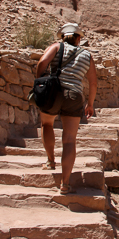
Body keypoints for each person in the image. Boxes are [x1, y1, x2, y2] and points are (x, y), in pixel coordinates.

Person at [36, 23, 97, 195]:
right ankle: (65, 183)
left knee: (47, 124)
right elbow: (93, 82)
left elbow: (42, 62)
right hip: (75, 95)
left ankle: (50, 161)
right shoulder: (87, 55)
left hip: (54, 92)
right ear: (78, 38)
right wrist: (90, 103)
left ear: (63, 37)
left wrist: (39, 82)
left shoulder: (56, 47)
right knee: (69, 139)